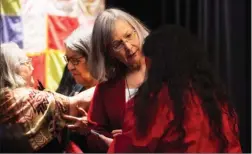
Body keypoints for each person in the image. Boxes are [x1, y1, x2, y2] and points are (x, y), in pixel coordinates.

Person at [108, 25, 242, 153]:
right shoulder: (215, 98)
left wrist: (122, 140)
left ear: (153, 63)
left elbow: (135, 148)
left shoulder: (156, 101)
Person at [63, 8, 150, 152]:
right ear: (108, 52)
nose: (128, 47)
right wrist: (111, 140)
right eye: (117, 45)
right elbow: (95, 137)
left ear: (137, 30)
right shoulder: (106, 90)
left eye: (129, 35)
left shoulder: (168, 69)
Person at [0, 42, 93, 153]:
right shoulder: (26, 99)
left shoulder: (5, 98)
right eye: (27, 62)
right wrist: (110, 84)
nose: (32, 67)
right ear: (13, 69)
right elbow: (76, 104)